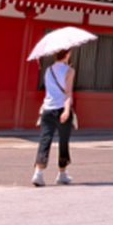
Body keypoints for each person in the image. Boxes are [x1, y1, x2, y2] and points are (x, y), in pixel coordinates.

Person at [32, 48, 75, 187]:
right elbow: (67, 93)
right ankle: (62, 173)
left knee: (45, 140)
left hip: (47, 108)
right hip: (61, 108)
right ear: (67, 55)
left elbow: (50, 89)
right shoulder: (70, 71)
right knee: (63, 141)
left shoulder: (48, 70)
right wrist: (67, 111)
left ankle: (38, 173)